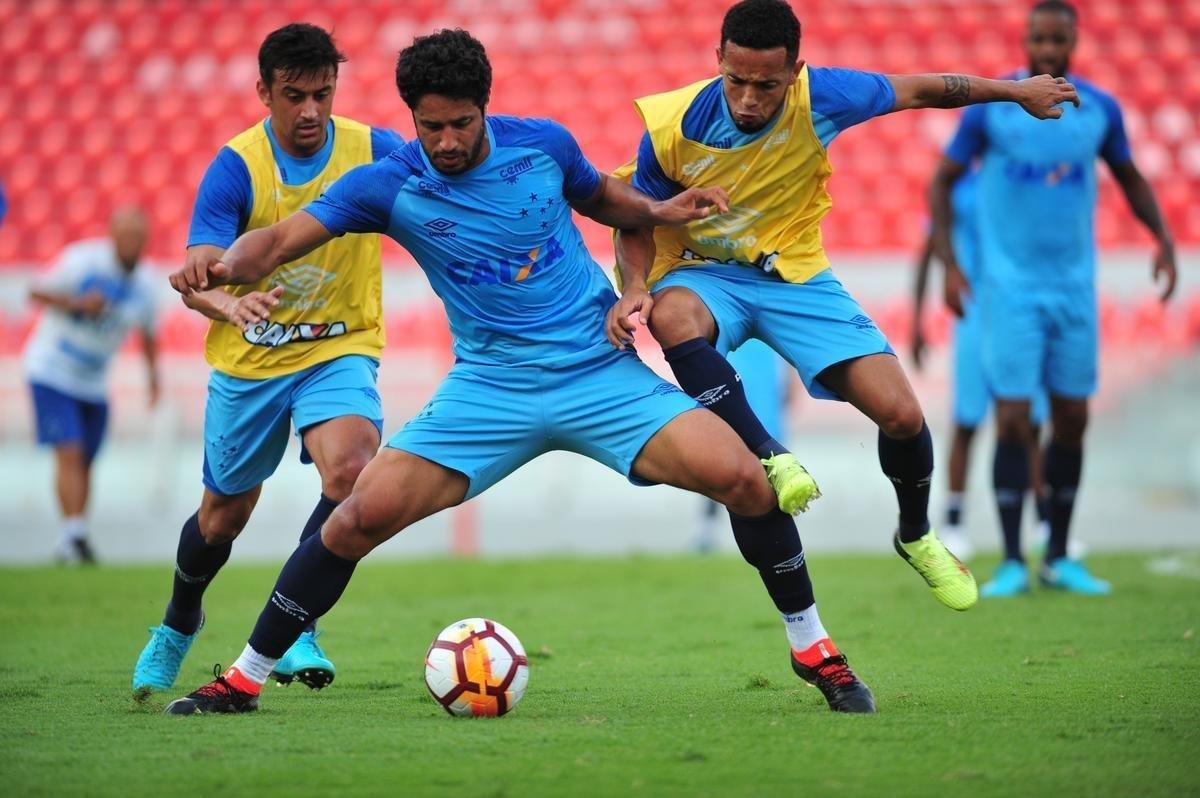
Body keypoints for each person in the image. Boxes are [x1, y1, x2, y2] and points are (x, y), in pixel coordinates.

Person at [163, 28, 878, 716]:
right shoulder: (388, 183)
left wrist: (657, 209)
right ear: (412, 118)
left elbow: (603, 198)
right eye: (431, 127)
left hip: (597, 373)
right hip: (489, 388)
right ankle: (243, 679)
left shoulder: (543, 145)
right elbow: (278, 241)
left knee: (747, 480)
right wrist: (220, 266)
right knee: (354, 519)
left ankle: (813, 648)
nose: (447, 141)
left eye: (461, 124)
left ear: (485, 107)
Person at [606, 0, 1079, 612]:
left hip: (793, 274)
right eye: (737, 80)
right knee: (669, 317)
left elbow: (923, 90)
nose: (748, 100)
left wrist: (1015, 92)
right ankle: (770, 456)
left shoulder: (825, 97)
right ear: (718, 59)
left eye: (766, 86)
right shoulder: (672, 125)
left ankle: (916, 535)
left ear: (795, 71)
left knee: (902, 416)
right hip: (703, 274)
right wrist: (634, 285)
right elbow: (635, 216)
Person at [131, 23, 406, 696]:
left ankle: (299, 624)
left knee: (352, 469)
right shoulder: (237, 167)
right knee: (221, 518)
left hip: (339, 345)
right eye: (294, 95)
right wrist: (226, 303)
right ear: (264, 92)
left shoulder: (374, 149)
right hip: (250, 362)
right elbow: (197, 274)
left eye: (323, 94)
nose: (311, 110)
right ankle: (180, 619)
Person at [929, 0, 1176, 596]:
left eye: (1057, 39)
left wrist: (1163, 238)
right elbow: (941, 182)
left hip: (1073, 289)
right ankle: (1013, 559)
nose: (1047, 49)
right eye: (1038, 39)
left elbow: (1130, 176)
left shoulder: (1099, 110)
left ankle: (1059, 554)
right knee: (1013, 419)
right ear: (1026, 41)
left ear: (1073, 42)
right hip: (1008, 290)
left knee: (1072, 418)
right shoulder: (992, 108)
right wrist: (951, 267)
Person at [911, 169, 1051, 562]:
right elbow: (928, 250)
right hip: (972, 315)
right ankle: (954, 523)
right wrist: (917, 322)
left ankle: (1044, 523)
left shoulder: (1018, 177)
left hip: (1019, 311)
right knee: (967, 420)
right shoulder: (957, 184)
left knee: (1030, 422)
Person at [25, 207, 159, 564]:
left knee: (85, 458)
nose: (132, 244)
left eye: (138, 238)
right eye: (126, 237)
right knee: (68, 450)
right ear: (112, 236)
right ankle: (73, 534)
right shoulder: (82, 261)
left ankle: (75, 534)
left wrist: (153, 381)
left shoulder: (146, 284)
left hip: (95, 381)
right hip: (52, 370)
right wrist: (77, 304)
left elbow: (148, 335)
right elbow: (36, 292)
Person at [695, 338, 793, 553]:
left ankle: (776, 536)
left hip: (757, 409)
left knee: (761, 472)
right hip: (751, 410)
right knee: (722, 469)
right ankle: (710, 528)